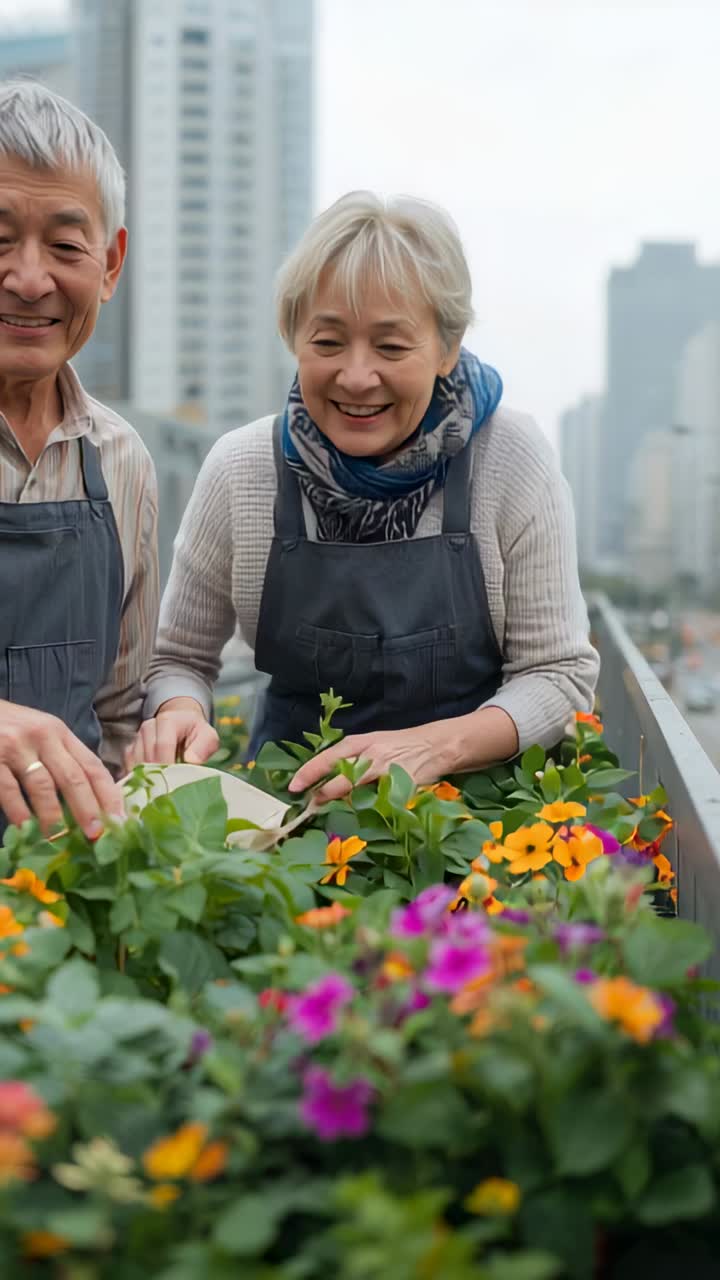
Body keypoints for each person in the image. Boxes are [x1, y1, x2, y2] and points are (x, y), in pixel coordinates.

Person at [131, 191, 598, 801]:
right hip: (285, 812)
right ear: (293, 336)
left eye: (391, 346)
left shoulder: (508, 458)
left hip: (469, 822)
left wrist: (436, 747)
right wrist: (179, 713)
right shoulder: (242, 469)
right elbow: (178, 660)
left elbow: (559, 674)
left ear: (446, 346)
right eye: (327, 343)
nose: (355, 376)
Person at [0, 81, 159, 837]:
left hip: (63, 896)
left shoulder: (121, 461)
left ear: (111, 263)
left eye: (65, 246)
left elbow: (122, 713)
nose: (30, 280)